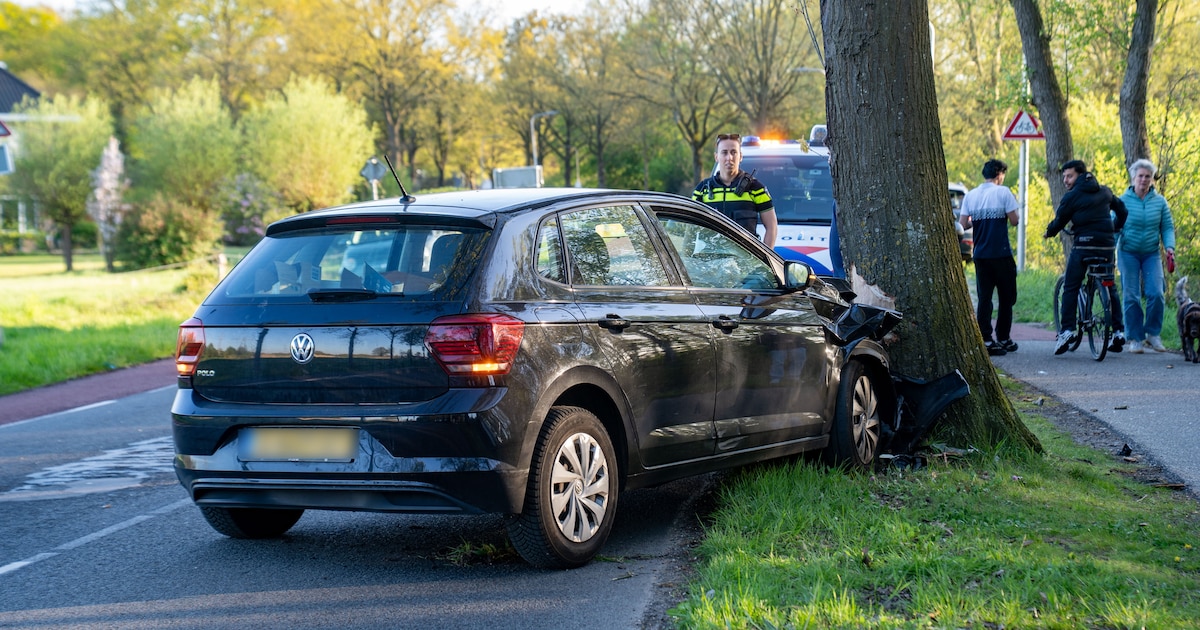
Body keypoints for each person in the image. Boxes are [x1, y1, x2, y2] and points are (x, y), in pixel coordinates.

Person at [1044, 159, 1128, 355]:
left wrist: (1049, 232)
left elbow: (1059, 221)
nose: (1065, 180)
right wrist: (1115, 227)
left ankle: (1066, 331)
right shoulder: (1105, 191)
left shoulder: (1072, 197)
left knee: (1071, 286)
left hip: (1084, 246)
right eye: (1064, 176)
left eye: (1069, 176)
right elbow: (1123, 210)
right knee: (1110, 285)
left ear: (1080, 175)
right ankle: (1118, 331)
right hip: (1106, 246)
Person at [959, 159, 1021, 356]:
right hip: (1001, 254)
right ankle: (1003, 337)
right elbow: (1014, 220)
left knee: (984, 298)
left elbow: (963, 225)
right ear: (999, 174)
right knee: (1006, 297)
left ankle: (985, 338)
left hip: (980, 255)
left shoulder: (971, 195)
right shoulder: (1003, 192)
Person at [1117, 158, 1176, 354]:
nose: (1144, 180)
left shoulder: (1159, 202)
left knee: (1156, 293)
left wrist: (1169, 247)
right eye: (1140, 176)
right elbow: (1114, 227)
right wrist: (1108, 249)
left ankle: (1152, 334)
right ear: (1133, 178)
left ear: (1152, 180)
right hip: (1128, 252)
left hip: (1151, 253)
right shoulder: (1122, 201)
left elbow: (1167, 227)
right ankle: (1135, 338)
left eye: (1148, 176)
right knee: (1132, 296)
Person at [693, 133, 778, 248]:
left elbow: (772, 226)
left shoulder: (755, 188)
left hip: (744, 263)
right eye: (724, 152)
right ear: (716, 157)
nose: (729, 158)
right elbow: (690, 229)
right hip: (709, 262)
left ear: (740, 156)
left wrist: (765, 261)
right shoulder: (702, 190)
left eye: (734, 152)